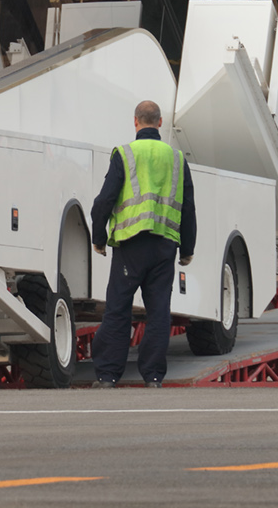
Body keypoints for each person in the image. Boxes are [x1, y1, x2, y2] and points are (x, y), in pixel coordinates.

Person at [89, 100, 196, 388]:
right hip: (165, 245)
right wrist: (187, 249)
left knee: (118, 309)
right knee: (159, 311)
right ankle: (153, 376)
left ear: (135, 122)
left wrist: (98, 238)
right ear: (160, 123)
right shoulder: (176, 158)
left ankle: (109, 375)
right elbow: (188, 207)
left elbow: (104, 201)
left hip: (130, 245)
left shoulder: (125, 154)